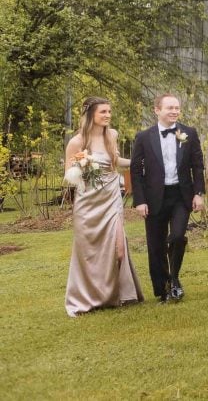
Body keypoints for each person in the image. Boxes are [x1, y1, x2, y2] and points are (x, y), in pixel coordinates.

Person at [65, 97, 144, 316]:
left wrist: (139, 161)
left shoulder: (112, 135)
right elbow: (68, 174)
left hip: (110, 197)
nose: (108, 115)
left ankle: (118, 293)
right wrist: (84, 168)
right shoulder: (77, 142)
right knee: (89, 253)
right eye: (103, 112)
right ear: (91, 114)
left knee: (118, 250)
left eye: (109, 111)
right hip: (88, 201)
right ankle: (90, 297)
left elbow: (115, 160)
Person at [130, 93, 205, 303]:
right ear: (157, 110)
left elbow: (197, 165)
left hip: (181, 195)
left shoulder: (189, 133)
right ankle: (162, 290)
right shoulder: (144, 137)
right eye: (169, 108)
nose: (174, 112)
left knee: (177, 237)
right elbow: (136, 171)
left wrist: (199, 193)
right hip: (154, 197)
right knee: (156, 245)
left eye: (177, 108)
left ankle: (174, 280)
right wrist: (140, 200)